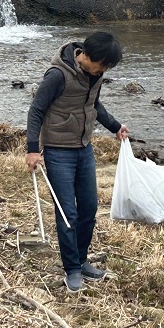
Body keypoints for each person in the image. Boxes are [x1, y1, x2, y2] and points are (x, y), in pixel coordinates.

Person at [26, 32, 129, 293]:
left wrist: (115, 127)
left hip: (84, 148)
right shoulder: (57, 75)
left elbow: (94, 104)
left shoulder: (95, 75)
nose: (104, 70)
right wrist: (32, 150)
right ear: (87, 56)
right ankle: (71, 268)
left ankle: (82, 261)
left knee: (88, 209)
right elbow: (36, 109)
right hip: (58, 151)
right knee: (67, 213)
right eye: (103, 64)